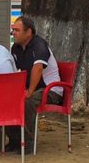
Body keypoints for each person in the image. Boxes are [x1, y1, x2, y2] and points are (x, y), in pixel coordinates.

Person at [8, 16, 63, 154]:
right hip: (34, 88)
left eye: (17, 30)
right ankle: (14, 140)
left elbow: (37, 69)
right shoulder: (15, 48)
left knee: (28, 101)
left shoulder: (39, 45)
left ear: (29, 32)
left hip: (50, 90)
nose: (13, 33)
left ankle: (27, 143)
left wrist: (30, 91)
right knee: (8, 100)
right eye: (13, 30)